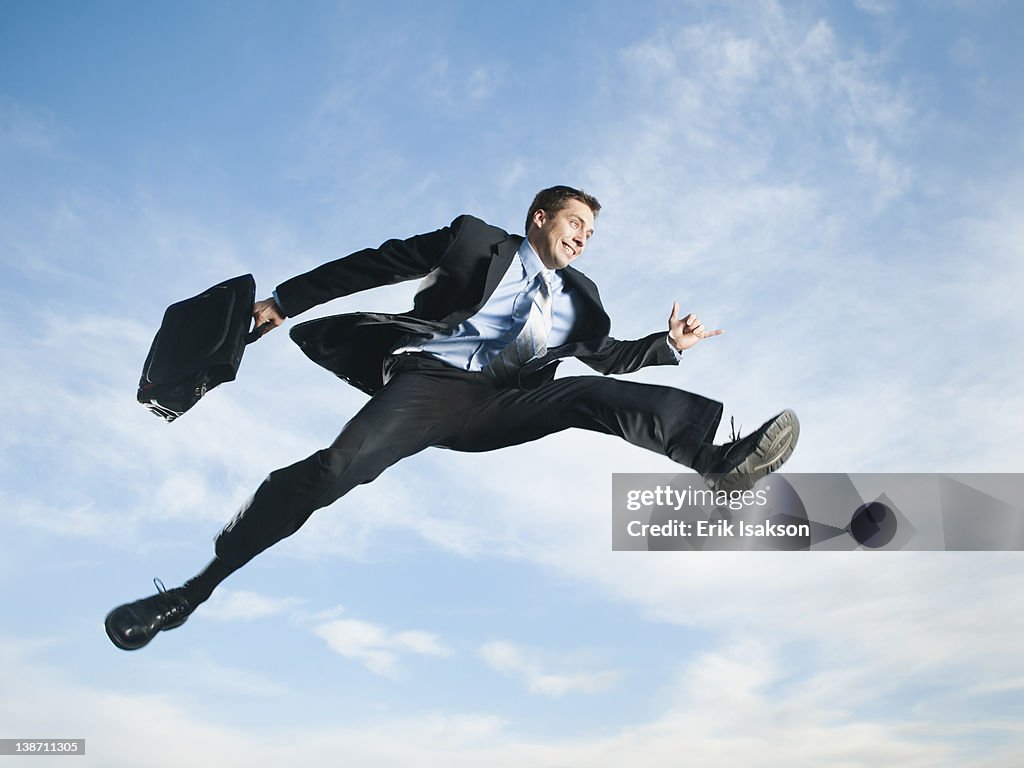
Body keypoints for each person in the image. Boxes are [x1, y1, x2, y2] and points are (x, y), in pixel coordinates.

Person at [105, 185, 799, 651]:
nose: (586, 237)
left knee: (586, 398)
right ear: (540, 219)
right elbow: (375, 263)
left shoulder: (583, 300)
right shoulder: (473, 241)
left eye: (593, 231)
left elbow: (607, 358)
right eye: (576, 223)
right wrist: (282, 302)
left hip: (505, 402)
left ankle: (718, 460)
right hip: (432, 381)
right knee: (332, 471)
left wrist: (666, 346)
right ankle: (194, 592)